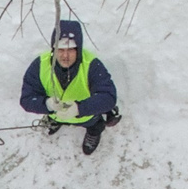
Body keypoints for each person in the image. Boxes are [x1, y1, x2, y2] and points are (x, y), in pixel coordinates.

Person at [21, 20, 120, 155]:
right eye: (60, 49)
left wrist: (79, 108)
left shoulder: (92, 65)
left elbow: (108, 97)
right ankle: (56, 122)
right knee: (56, 118)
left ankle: (94, 131)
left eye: (70, 50)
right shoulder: (40, 65)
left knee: (94, 124)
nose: (65, 55)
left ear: (78, 49)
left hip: (86, 116)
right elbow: (27, 98)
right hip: (56, 114)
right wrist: (47, 105)